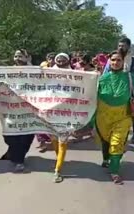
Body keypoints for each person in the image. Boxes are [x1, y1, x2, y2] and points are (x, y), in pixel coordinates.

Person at [91, 50, 134, 184]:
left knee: (116, 143)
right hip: (103, 117)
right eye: (113, 60)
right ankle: (107, 159)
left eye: (118, 60)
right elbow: (91, 98)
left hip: (123, 117)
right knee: (105, 141)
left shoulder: (130, 78)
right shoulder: (100, 79)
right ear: (109, 61)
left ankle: (114, 170)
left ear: (123, 62)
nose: (115, 62)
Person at [0, 49, 35, 172]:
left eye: (20, 56)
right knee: (9, 135)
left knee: (26, 135)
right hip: (11, 108)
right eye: (15, 56)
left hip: (29, 109)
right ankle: (13, 152)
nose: (18, 58)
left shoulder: (34, 72)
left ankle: (19, 160)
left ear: (27, 58)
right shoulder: (8, 71)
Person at [51, 53, 71, 183]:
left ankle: (58, 170)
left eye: (63, 59)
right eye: (59, 58)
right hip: (50, 111)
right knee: (53, 138)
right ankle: (60, 158)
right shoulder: (48, 73)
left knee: (62, 140)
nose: (60, 60)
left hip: (66, 111)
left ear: (67, 61)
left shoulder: (74, 75)